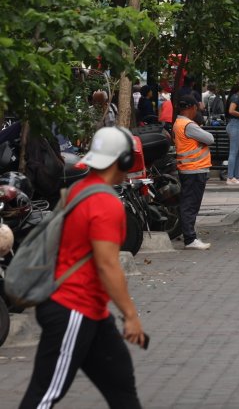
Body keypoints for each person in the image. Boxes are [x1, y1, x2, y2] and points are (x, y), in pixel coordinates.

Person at [19, 127, 147, 409]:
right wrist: (130, 315)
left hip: (92, 312)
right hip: (72, 309)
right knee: (45, 394)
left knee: (121, 386)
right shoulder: (105, 202)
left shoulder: (80, 189)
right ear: (123, 161)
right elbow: (107, 264)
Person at [173, 95, 214, 250]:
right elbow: (210, 138)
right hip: (194, 169)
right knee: (190, 205)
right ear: (192, 108)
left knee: (188, 204)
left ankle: (190, 235)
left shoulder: (178, 123)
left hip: (189, 169)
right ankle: (190, 239)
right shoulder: (188, 125)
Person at [224, 82, 239, 184]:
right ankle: (230, 177)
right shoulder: (236, 97)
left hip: (235, 125)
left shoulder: (236, 97)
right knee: (234, 152)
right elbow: (231, 111)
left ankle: (237, 176)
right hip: (234, 125)